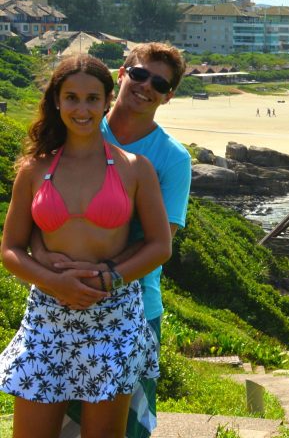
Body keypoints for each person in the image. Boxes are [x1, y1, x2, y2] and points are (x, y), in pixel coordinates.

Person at [0, 54, 172, 438]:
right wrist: (52, 282)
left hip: (113, 317)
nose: (82, 108)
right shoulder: (34, 169)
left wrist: (110, 280)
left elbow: (160, 245)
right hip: (47, 317)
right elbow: (10, 250)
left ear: (107, 100)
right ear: (57, 101)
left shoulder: (135, 167)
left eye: (92, 98)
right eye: (72, 97)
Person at [35, 43, 192, 438]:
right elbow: (35, 214)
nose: (145, 86)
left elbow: (161, 241)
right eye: (139, 74)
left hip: (134, 306)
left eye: (159, 82)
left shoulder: (171, 158)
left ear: (168, 95)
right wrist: (53, 273)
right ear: (121, 74)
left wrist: (101, 276)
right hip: (57, 298)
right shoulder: (80, 122)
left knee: (125, 430)